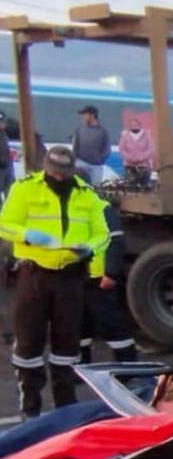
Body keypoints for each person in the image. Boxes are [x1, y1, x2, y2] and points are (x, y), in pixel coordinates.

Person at [0, 147, 109, 418]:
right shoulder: (25, 188)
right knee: (28, 345)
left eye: (64, 174)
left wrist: (89, 247)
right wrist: (26, 235)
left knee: (67, 346)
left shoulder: (85, 193)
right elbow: (4, 224)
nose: (59, 178)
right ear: (46, 168)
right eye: (55, 173)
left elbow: (102, 234)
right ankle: (30, 410)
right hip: (34, 275)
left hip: (70, 278)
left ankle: (65, 409)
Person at [75, 169, 138, 364]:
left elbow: (115, 242)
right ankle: (81, 368)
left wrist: (110, 273)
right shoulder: (72, 209)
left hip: (98, 279)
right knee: (79, 326)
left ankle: (128, 366)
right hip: (77, 278)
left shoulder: (101, 208)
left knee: (112, 324)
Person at [71, 105, 111, 185]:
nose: (83, 117)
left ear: (92, 115)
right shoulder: (79, 129)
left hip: (96, 166)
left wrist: (100, 159)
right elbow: (75, 145)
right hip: (81, 163)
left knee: (95, 187)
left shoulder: (103, 131)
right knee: (78, 185)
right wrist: (75, 160)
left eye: (85, 114)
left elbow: (106, 148)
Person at [117, 117, 155, 187]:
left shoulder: (147, 135)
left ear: (140, 125)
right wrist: (130, 158)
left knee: (145, 187)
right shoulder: (125, 135)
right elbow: (121, 149)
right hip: (129, 166)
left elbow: (151, 149)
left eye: (136, 124)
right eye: (132, 125)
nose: (134, 126)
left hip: (144, 166)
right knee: (130, 187)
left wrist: (141, 158)